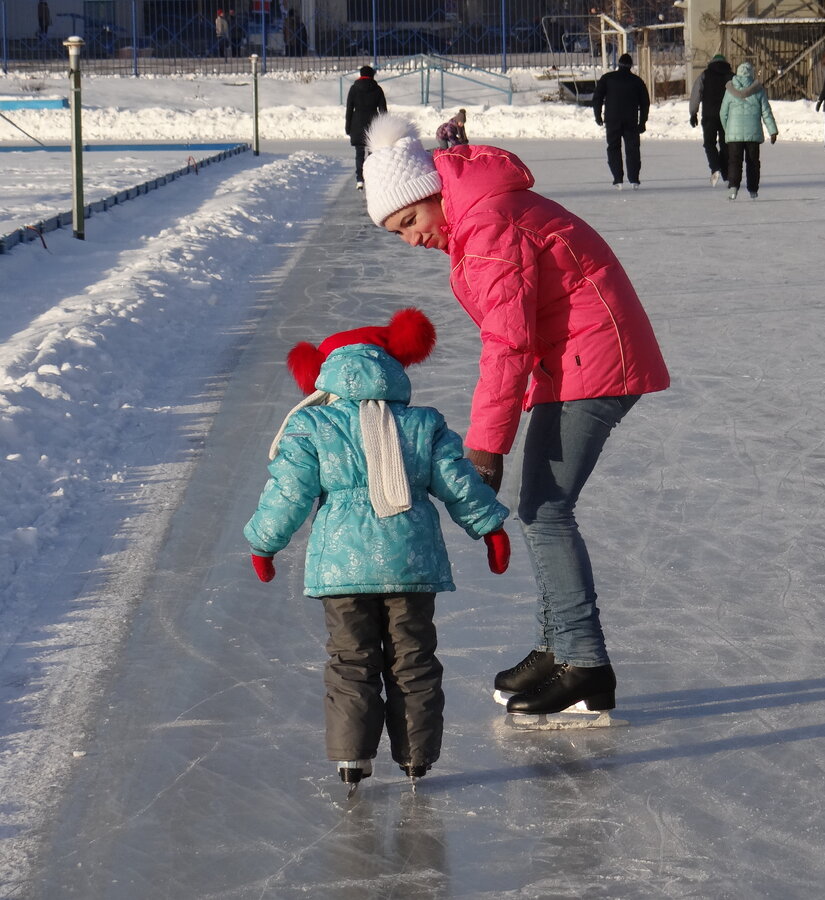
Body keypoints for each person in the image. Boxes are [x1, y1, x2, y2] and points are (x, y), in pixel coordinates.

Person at [361, 114, 670, 717]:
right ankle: (559, 647)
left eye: (410, 222)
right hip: (577, 353)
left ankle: (583, 661)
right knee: (541, 509)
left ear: (429, 195)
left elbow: (507, 341)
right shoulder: (475, 212)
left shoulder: (483, 226)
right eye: (396, 232)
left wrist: (486, 444)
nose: (411, 239)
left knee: (546, 510)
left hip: (594, 355)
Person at [244, 308, 511, 788]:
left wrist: (264, 544)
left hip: (341, 571)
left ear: (325, 372)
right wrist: (489, 526)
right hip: (411, 564)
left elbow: (289, 492)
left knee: (351, 661)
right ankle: (416, 757)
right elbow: (457, 481)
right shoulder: (422, 423)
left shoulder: (312, 426)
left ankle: (352, 759)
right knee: (413, 659)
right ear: (394, 369)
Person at [719, 61, 778, 201]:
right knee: (752, 162)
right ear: (751, 74)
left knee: (734, 161)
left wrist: (728, 129)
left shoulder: (730, 90)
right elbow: (766, 112)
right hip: (753, 134)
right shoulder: (758, 90)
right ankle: (753, 190)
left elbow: (723, 113)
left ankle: (733, 189)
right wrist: (773, 131)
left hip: (734, 135)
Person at [592, 53, 650, 189]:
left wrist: (598, 115)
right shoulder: (637, 81)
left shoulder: (608, 78)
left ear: (618, 64)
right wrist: (642, 122)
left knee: (613, 148)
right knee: (633, 149)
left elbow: (597, 98)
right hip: (631, 120)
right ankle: (634, 179)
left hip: (612, 119)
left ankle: (618, 179)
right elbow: (645, 103)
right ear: (631, 66)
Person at [688, 52, 734, 187]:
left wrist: (693, 113)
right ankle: (726, 174)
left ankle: (715, 167)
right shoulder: (731, 76)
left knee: (709, 143)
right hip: (728, 117)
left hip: (709, 115)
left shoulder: (705, 75)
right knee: (726, 146)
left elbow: (696, 93)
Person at [345, 66, 388, 190]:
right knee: (372, 153)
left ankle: (360, 179)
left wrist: (348, 127)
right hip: (373, 123)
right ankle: (370, 178)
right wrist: (384, 127)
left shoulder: (354, 89)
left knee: (359, 154)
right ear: (372, 75)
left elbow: (349, 110)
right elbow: (383, 110)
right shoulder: (378, 89)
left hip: (357, 123)